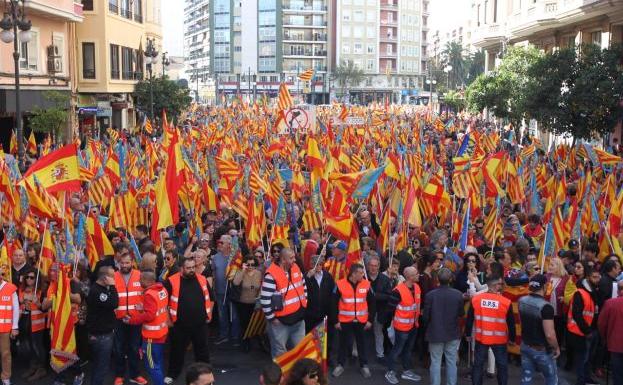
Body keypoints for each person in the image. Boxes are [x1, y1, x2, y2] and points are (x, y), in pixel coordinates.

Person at [164, 257, 213, 384]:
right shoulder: (171, 281)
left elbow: (211, 298)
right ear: (181, 268)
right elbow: (162, 303)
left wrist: (209, 314)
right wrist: (168, 320)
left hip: (200, 324)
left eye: (193, 267)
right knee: (177, 351)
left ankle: (205, 375)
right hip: (179, 325)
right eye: (188, 268)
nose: (192, 270)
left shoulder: (202, 279)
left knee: (202, 351)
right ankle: (172, 373)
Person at [465, 275, 516, 385]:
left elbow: (469, 318)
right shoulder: (505, 302)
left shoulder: (476, 300)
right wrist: (512, 338)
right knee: (502, 366)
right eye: (500, 284)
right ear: (495, 286)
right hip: (499, 340)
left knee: (478, 365)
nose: (502, 286)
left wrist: (467, 333)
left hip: (481, 338)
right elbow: (511, 323)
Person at [261, 247, 308, 358]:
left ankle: (296, 375)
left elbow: (303, 286)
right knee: (280, 354)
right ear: (283, 260)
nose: (294, 260)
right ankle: (281, 375)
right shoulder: (271, 274)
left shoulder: (295, 267)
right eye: (291, 258)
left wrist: (304, 303)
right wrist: (272, 318)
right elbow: (265, 299)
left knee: (299, 351)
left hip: (298, 320)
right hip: (281, 323)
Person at [331, 263, 375, 379]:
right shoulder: (339, 284)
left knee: (362, 344)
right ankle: (340, 365)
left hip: (362, 321)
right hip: (345, 321)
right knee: (343, 344)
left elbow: (372, 303)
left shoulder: (366, 284)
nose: (363, 275)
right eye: (360, 273)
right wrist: (336, 321)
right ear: (353, 274)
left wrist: (370, 320)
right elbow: (333, 304)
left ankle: (364, 365)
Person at [125, 269, 169, 385]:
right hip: (161, 333)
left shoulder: (149, 294)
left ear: (146, 280)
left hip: (151, 338)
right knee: (158, 363)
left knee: (152, 366)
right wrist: (144, 308)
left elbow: (150, 316)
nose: (139, 281)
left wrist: (132, 320)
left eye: (140, 279)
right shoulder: (162, 289)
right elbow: (158, 309)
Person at [422, 267, 464, 385]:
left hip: (435, 332)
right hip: (452, 332)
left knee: (435, 361)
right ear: (451, 279)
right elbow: (461, 313)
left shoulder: (430, 295)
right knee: (451, 361)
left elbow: (425, 317)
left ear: (437, 279)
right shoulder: (458, 294)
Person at [518, 274, 560, 385]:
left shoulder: (522, 300)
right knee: (551, 379)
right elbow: (550, 335)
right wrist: (556, 348)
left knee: (526, 378)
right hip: (541, 350)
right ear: (544, 286)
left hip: (525, 345)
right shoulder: (546, 307)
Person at [384, 266, 422, 384]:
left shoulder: (417, 287)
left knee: (408, 349)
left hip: (413, 325)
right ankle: (390, 372)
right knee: (397, 350)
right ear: (410, 277)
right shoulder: (398, 291)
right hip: (401, 327)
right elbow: (390, 309)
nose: (418, 275)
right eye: (416, 273)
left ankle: (406, 371)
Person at [113, 253, 147, 385]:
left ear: (132, 262)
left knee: (134, 348)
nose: (125, 265)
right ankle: (119, 375)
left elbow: (147, 294)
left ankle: (135, 374)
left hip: (135, 319)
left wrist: (143, 307)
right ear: (118, 262)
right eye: (122, 263)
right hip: (119, 319)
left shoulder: (140, 275)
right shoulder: (113, 276)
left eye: (127, 263)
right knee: (118, 348)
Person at [567, 266, 601, 385]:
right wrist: (587, 331)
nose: (598, 279)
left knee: (588, 358)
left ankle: (586, 378)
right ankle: (581, 381)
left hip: (590, 330)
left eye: (598, 276)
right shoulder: (580, 293)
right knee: (583, 358)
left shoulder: (592, 292)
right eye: (594, 277)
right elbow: (577, 315)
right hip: (581, 332)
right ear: (588, 278)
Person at [87, 266, 119, 385]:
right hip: (102, 336)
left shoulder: (98, 288)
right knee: (101, 367)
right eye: (112, 277)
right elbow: (114, 303)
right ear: (106, 278)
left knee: (98, 365)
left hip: (99, 334)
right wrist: (113, 286)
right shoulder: (98, 291)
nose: (114, 279)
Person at [17, 268, 47, 381]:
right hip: (25, 321)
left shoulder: (41, 290)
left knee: (37, 346)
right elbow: (20, 301)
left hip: (37, 323)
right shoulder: (22, 288)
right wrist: (24, 302)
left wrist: (37, 303)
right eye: (27, 277)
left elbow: (45, 308)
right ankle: (33, 366)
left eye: (32, 277)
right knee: (29, 345)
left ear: (37, 279)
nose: (29, 279)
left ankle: (41, 369)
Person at [232, 254, 262, 350]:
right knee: (244, 324)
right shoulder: (241, 272)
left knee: (254, 323)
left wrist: (259, 299)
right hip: (243, 303)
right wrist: (243, 270)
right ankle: (245, 342)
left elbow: (261, 287)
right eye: (248, 264)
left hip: (255, 303)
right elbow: (235, 283)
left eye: (252, 264)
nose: (250, 267)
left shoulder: (259, 273)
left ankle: (255, 341)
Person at [367, 255, 393, 362]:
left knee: (378, 333)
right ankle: (357, 353)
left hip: (379, 311)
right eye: (371, 265)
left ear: (379, 267)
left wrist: (374, 296)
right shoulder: (363, 277)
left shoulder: (385, 279)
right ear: (368, 266)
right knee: (361, 333)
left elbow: (388, 296)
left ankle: (380, 354)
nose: (373, 268)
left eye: (375, 266)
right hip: (365, 311)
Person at [597, 280, 623, 385]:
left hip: (615, 344)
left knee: (617, 375)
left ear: (618, 291)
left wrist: (605, 338)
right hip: (615, 343)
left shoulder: (610, 303)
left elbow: (601, 324)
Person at [0, 263, 19, 385]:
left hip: (5, 328)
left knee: (6, 353)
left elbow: (16, 308)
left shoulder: (11, 288)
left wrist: (15, 326)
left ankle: (6, 377)